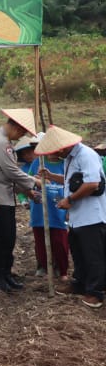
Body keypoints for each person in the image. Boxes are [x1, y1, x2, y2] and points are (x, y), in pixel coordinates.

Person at [36, 125, 106, 309]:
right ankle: (80, 284)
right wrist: (52, 176)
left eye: (52, 152)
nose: (52, 156)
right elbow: (72, 181)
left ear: (61, 148)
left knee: (93, 256)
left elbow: (92, 183)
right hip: (77, 216)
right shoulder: (70, 157)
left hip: (92, 216)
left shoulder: (87, 155)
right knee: (79, 252)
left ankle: (96, 292)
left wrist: (70, 200)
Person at [0, 108, 41, 292]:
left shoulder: (2, 141)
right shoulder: (0, 142)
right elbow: (12, 172)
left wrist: (26, 190)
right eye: (22, 133)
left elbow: (8, 175)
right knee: (4, 237)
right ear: (16, 127)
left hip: (4, 195)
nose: (21, 136)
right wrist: (34, 182)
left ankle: (5, 272)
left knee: (8, 238)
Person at [19, 133, 68, 278]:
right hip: (39, 208)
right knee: (40, 240)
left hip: (58, 208)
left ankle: (62, 270)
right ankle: (45, 266)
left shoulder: (65, 164)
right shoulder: (37, 163)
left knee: (59, 241)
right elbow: (27, 182)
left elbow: (68, 185)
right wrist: (32, 188)